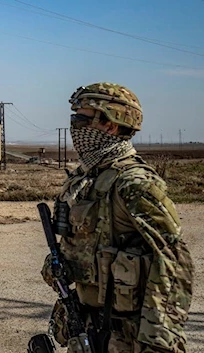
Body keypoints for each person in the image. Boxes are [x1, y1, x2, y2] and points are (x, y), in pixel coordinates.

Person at [41, 83, 193, 352]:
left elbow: (175, 259)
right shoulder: (89, 177)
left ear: (110, 125)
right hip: (92, 325)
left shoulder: (134, 183)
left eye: (81, 119)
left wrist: (159, 340)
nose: (75, 128)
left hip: (127, 334)